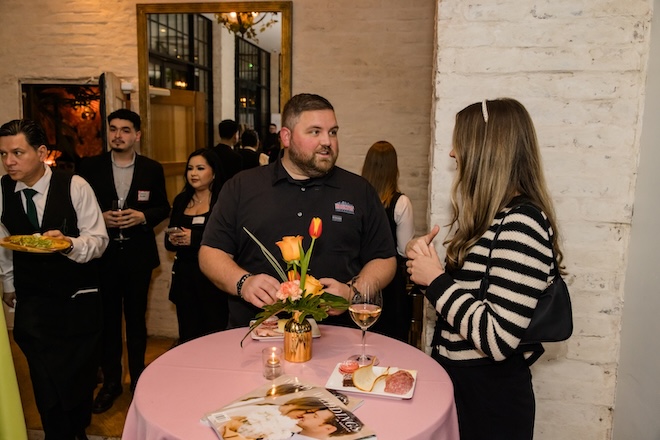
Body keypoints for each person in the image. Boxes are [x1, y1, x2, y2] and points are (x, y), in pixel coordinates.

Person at [406, 98, 564, 440]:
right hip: (465, 387)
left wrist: (435, 280)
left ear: (485, 150)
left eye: (459, 142)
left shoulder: (522, 224)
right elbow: (467, 302)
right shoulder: (494, 217)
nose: (452, 153)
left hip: (490, 403)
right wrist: (424, 270)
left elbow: (498, 338)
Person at [199, 93, 397, 328]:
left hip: (339, 341)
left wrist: (352, 291)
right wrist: (243, 282)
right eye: (315, 132)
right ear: (286, 137)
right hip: (258, 337)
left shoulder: (359, 191)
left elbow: (384, 258)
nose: (328, 141)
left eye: (332, 132)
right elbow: (210, 252)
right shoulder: (242, 187)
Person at [0, 119, 109, 440]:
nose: (9, 161)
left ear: (42, 152)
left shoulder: (75, 186)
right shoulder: (2, 191)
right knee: (45, 382)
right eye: (4, 154)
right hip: (33, 304)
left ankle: (76, 431)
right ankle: (57, 434)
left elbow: (99, 240)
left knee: (77, 380)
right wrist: (8, 285)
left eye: (18, 152)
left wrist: (69, 243)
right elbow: (4, 245)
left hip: (78, 302)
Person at [78, 109, 170, 413]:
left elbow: (162, 207)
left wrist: (143, 216)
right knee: (107, 323)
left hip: (137, 258)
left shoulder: (151, 169)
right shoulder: (88, 168)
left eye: (126, 130)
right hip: (102, 258)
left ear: (137, 135)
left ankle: (139, 378)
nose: (118, 135)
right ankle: (112, 383)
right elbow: (77, 209)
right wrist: (98, 219)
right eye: (114, 129)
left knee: (135, 321)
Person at [165, 148, 228, 343]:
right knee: (187, 333)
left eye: (200, 168)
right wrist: (173, 239)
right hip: (185, 276)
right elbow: (168, 241)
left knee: (213, 334)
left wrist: (195, 238)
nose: (193, 173)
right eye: (190, 168)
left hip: (212, 278)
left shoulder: (222, 201)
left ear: (214, 172)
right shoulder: (181, 200)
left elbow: (227, 239)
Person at [360, 140, 415, 342]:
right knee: (390, 341)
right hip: (391, 286)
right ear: (394, 167)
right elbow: (404, 249)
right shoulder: (400, 203)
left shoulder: (358, 199)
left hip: (360, 279)